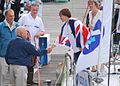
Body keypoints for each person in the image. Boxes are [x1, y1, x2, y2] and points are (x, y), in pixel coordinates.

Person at [18, 3, 45, 85]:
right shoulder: (24, 17)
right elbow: (18, 27)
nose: (35, 12)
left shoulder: (39, 19)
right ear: (30, 9)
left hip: (34, 44)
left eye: (36, 10)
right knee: (24, 61)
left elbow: (43, 31)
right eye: (33, 10)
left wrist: (39, 34)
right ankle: (23, 79)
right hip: (24, 43)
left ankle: (30, 80)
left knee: (32, 62)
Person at [0, 9, 19, 86]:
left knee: (14, 77)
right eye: (10, 16)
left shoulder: (18, 26)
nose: (12, 17)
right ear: (6, 16)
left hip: (14, 56)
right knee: (2, 76)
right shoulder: (0, 26)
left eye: (13, 16)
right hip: (3, 55)